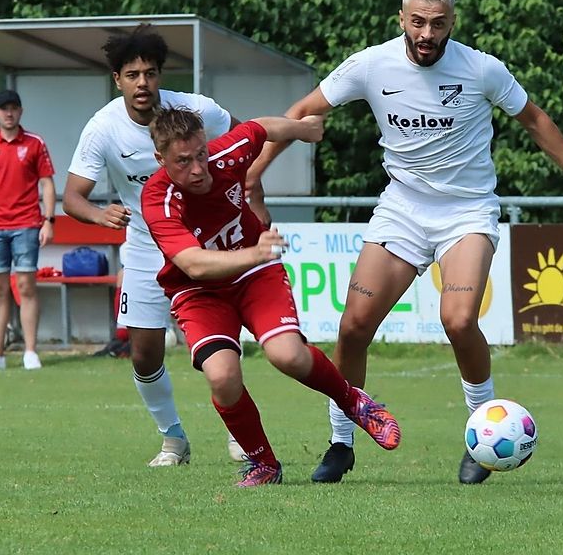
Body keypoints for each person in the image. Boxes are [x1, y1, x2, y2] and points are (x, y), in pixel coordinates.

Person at [249, 0, 563, 484]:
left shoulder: (480, 68)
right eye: (418, 22)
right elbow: (300, 112)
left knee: (457, 318)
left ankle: (482, 432)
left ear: (453, 23)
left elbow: (534, 118)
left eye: (438, 24)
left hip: (467, 211)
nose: (427, 34)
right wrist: (253, 175)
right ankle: (341, 442)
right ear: (402, 19)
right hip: (402, 210)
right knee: (353, 327)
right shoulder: (369, 65)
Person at [142, 107, 401, 487]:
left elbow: (259, 128)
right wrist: (255, 251)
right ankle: (264, 464)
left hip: (255, 276)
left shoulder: (223, 154)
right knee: (222, 375)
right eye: (183, 161)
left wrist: (302, 128)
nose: (198, 168)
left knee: (288, 355)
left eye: (200, 154)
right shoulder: (158, 199)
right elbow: (194, 264)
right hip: (199, 291)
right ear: (160, 159)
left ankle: (356, 403)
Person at [64, 24, 248, 465]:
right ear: (118, 79)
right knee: (144, 353)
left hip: (204, 246)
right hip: (147, 247)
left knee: (216, 347)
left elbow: (245, 139)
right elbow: (72, 196)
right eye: (132, 74)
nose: (142, 82)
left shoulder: (194, 111)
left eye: (149, 72)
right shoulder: (103, 128)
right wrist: (98, 213)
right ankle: (174, 439)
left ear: (160, 75)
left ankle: (240, 433)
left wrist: (244, 192)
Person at [0, 90, 56, 371]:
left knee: (26, 286)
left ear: (20, 111)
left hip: (27, 225)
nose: (8, 113)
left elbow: (47, 183)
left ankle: (31, 351)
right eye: (3, 109)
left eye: (13, 108)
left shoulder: (35, 143)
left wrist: (49, 220)